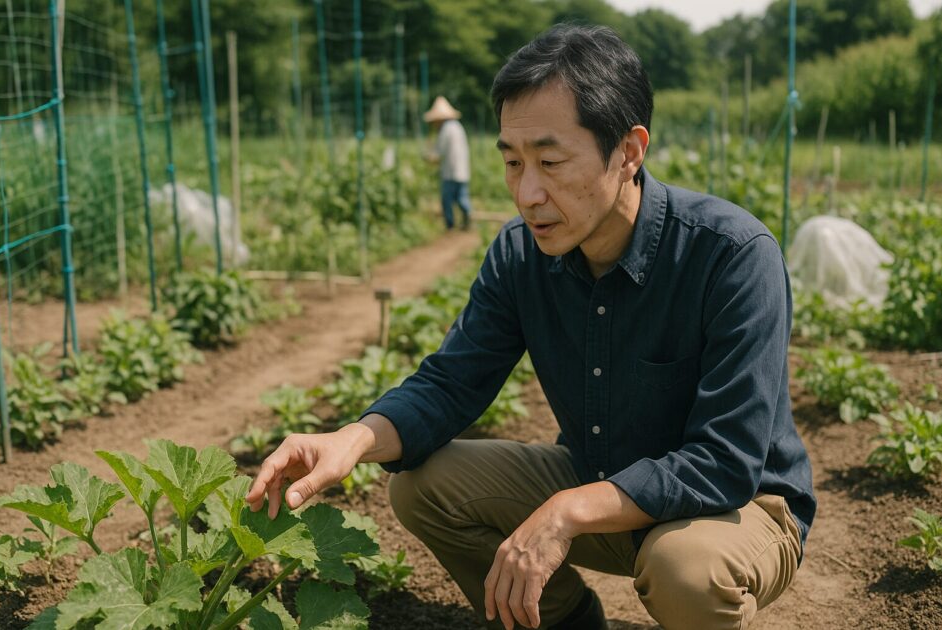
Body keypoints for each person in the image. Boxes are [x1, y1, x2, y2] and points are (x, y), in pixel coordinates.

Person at [247, 24, 816, 630]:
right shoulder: (522, 254)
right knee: (422, 485)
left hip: (734, 508)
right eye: (513, 163)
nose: (527, 193)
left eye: (549, 162)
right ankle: (568, 621)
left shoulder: (731, 254)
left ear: (628, 152)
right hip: (600, 482)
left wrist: (567, 511)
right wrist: (351, 440)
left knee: (686, 570)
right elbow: (451, 382)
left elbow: (723, 462)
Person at [424, 95, 473, 230]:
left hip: (450, 171)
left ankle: (450, 225)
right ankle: (467, 221)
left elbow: (440, 153)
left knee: (447, 199)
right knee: (462, 197)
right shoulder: (457, 126)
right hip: (462, 170)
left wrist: (429, 158)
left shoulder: (445, 130)